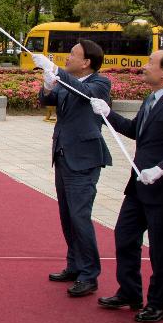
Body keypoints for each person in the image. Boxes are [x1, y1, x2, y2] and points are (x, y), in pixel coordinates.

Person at [92, 49, 163, 323]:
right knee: (125, 237)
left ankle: (159, 303)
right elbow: (134, 130)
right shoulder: (151, 99)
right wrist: (108, 114)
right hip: (139, 186)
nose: (144, 66)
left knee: (162, 249)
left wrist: (161, 168)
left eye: (151, 62)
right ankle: (129, 292)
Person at [33, 42, 112, 297]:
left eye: (73, 55)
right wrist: (47, 83)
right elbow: (49, 99)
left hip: (84, 158)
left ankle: (90, 274)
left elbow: (83, 92)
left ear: (86, 62)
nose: (68, 58)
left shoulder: (100, 83)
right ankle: (75, 264)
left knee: (80, 216)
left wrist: (56, 70)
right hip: (63, 154)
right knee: (67, 215)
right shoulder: (70, 81)